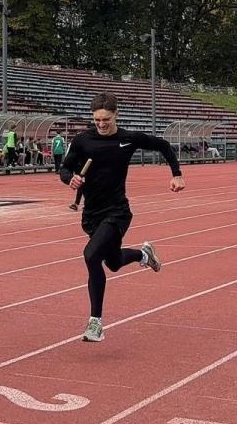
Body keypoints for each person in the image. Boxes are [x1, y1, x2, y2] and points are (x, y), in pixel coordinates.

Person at [60, 91, 185, 342]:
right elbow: (65, 168)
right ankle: (144, 255)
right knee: (114, 262)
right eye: (97, 120)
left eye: (106, 119)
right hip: (91, 215)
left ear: (116, 115)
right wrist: (69, 179)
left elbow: (163, 145)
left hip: (117, 211)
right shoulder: (83, 140)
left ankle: (95, 323)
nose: (101, 124)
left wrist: (177, 174)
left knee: (91, 255)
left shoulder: (128, 139)